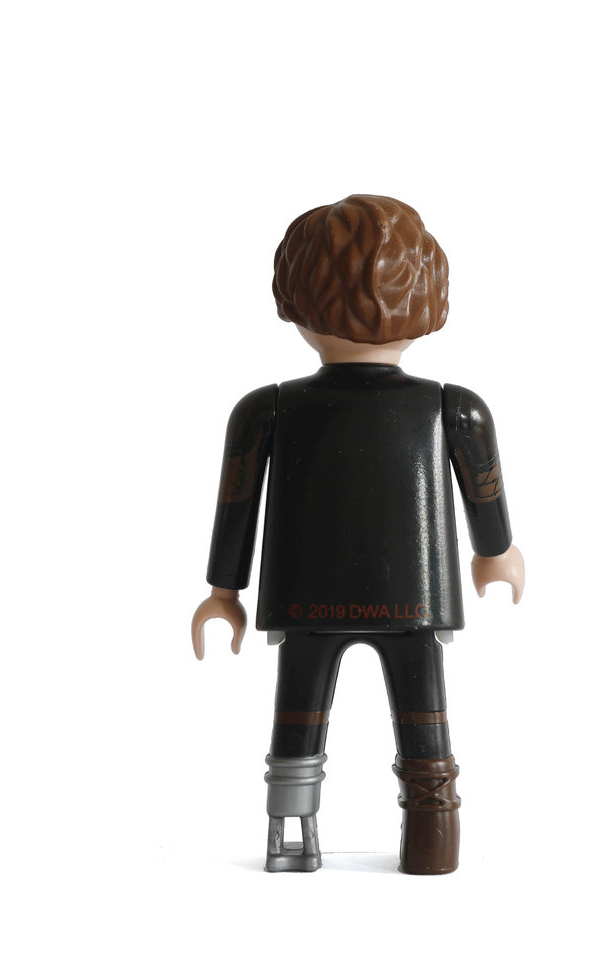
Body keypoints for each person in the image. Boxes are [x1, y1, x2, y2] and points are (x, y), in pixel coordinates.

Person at [192, 194, 524, 874]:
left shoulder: (267, 409)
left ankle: (292, 841)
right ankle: (431, 848)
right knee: (425, 729)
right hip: (414, 603)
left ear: (295, 303)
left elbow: (236, 506)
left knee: (297, 722)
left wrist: (224, 591)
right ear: (429, 296)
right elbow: (486, 497)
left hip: (307, 601)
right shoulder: (452, 409)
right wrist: (496, 553)